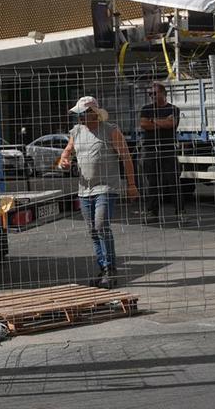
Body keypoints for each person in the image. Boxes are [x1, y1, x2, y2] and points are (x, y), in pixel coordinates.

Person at [58, 96, 138, 289]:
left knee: (101, 225)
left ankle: (110, 270)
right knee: (93, 231)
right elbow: (67, 152)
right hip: (84, 190)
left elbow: (126, 157)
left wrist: (131, 184)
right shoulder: (77, 131)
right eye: (78, 114)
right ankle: (103, 269)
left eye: (82, 114)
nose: (79, 117)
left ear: (93, 114)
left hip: (106, 187)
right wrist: (64, 161)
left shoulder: (111, 130)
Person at [138, 82, 184, 221]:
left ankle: (180, 211)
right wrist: (161, 122)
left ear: (163, 93)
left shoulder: (173, 109)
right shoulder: (146, 109)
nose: (151, 96)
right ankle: (152, 212)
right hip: (150, 149)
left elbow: (172, 123)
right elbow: (144, 124)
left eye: (154, 93)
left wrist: (153, 121)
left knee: (173, 181)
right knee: (151, 182)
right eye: (150, 94)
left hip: (168, 149)